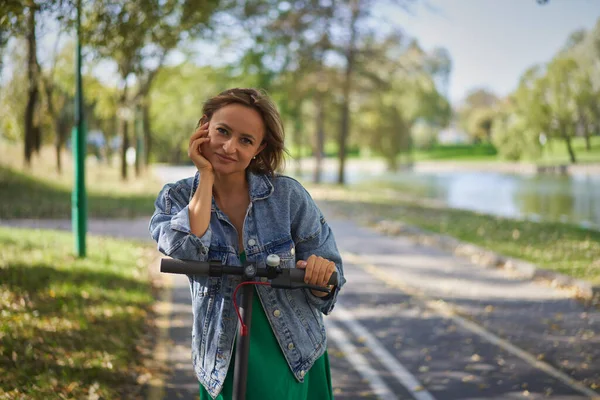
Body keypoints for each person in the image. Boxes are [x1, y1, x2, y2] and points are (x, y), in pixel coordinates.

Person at [149, 88, 346, 399]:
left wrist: (321, 276)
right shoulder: (176, 197)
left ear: (259, 148)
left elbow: (331, 282)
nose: (229, 147)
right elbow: (186, 247)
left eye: (245, 140)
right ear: (204, 127)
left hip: (292, 354)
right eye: (222, 131)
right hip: (221, 355)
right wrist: (205, 174)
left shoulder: (288, 196)